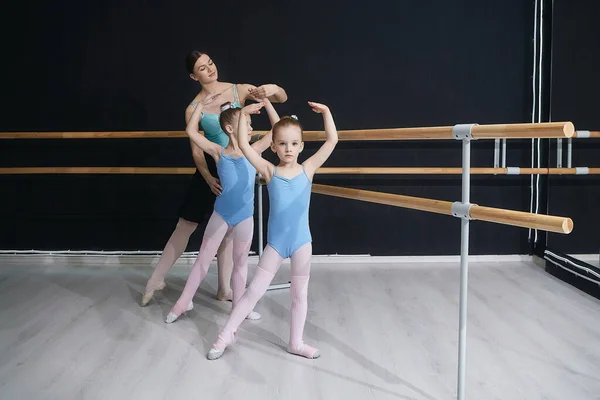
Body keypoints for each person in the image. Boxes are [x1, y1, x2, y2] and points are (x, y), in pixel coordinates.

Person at [140, 51, 287, 306]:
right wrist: (207, 176)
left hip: (240, 162)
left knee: (229, 232)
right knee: (186, 225)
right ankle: (154, 280)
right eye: (202, 68)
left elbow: (281, 98)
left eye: (210, 63)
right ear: (193, 76)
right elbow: (197, 150)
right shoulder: (193, 108)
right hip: (213, 161)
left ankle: (224, 289)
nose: (210, 69)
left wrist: (273, 89)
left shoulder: (238, 90)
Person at [206, 101, 338, 360]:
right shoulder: (268, 169)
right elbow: (244, 145)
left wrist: (327, 113)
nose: (288, 149)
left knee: (299, 295)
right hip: (276, 244)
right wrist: (243, 114)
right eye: (282, 144)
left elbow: (332, 140)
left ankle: (296, 342)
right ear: (274, 146)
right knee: (253, 291)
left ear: (301, 145)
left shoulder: (308, 169)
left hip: (302, 242)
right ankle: (224, 335)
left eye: (293, 143)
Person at [164, 97, 279, 323]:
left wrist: (267, 103)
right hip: (221, 215)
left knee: (241, 264)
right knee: (203, 260)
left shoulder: (254, 150)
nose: (251, 128)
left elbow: (277, 129)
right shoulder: (218, 152)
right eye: (247, 124)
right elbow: (191, 130)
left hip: (245, 218)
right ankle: (182, 302)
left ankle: (239, 307)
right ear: (230, 128)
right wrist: (200, 105)